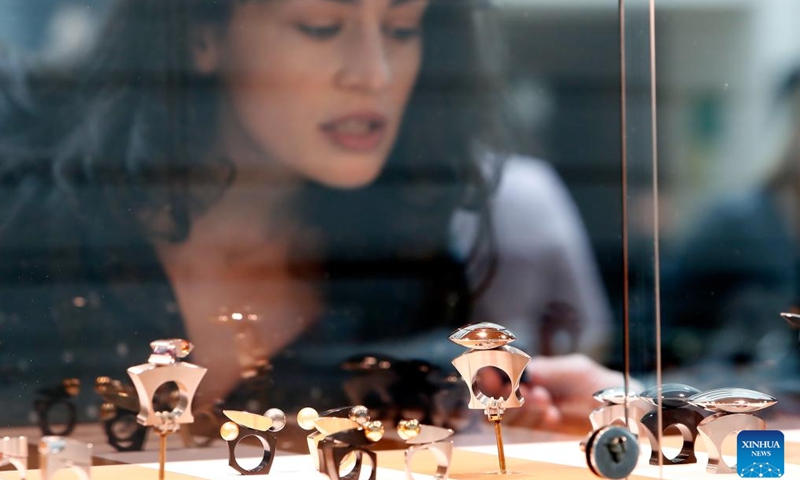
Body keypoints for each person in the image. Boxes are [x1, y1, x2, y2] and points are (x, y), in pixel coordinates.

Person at [0, 0, 621, 432]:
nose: (373, 74)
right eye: (322, 26)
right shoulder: (35, 233)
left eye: (403, 29)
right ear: (202, 35)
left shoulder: (400, 267)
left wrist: (486, 402)